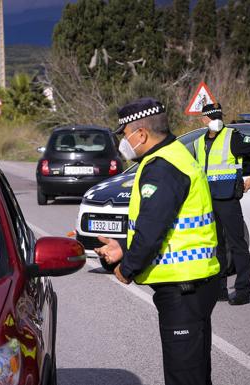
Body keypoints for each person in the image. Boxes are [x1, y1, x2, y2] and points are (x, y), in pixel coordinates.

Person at [95, 97, 220, 385]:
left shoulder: (163, 167)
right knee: (195, 373)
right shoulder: (173, 155)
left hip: (184, 288)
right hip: (193, 284)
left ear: (141, 134)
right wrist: (123, 247)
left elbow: (152, 227)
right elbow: (169, 224)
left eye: (125, 135)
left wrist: (127, 268)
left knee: (184, 377)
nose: (123, 143)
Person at [194, 103, 250, 305]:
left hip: (228, 199)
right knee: (217, 246)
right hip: (208, 201)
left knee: (237, 245)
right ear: (204, 119)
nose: (216, 119)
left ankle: (243, 290)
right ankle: (220, 289)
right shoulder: (199, 143)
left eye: (218, 115)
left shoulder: (232, 136)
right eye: (212, 116)